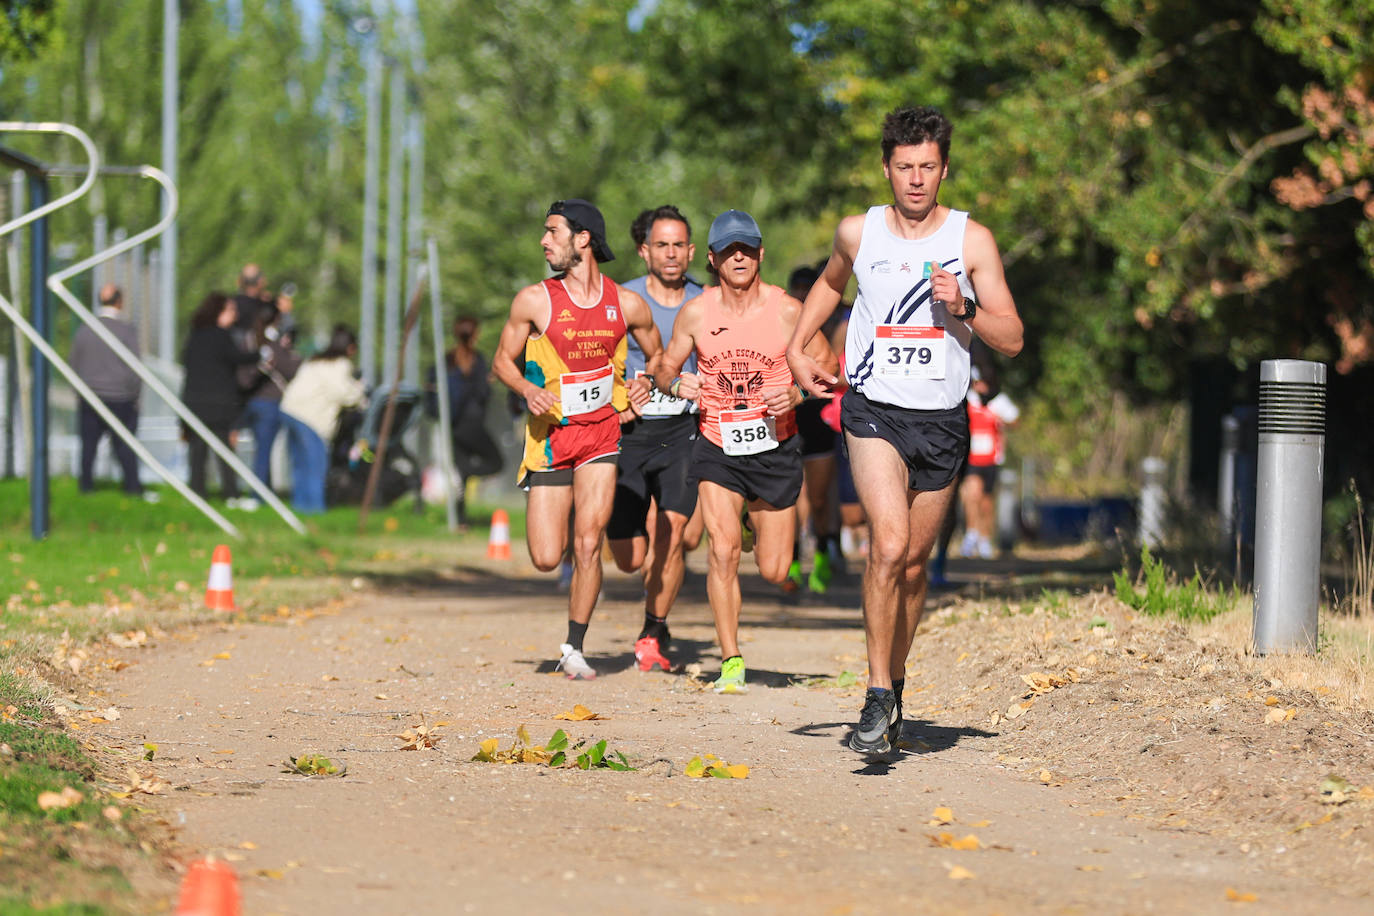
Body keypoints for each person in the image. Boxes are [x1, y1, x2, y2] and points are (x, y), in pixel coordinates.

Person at [787, 105, 1024, 756]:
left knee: (914, 567)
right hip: (874, 411)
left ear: (944, 169)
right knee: (887, 546)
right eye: (904, 167)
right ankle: (873, 692)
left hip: (942, 420)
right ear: (886, 169)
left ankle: (894, 682)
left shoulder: (972, 241)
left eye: (927, 167)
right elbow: (829, 285)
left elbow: (1011, 337)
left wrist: (964, 306)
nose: (916, 179)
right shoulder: (857, 233)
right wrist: (796, 347)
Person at [656, 209, 837, 694]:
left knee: (775, 570)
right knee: (722, 551)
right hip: (716, 443)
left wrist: (796, 393)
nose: (739, 257)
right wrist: (676, 384)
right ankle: (731, 659)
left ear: (760, 254)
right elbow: (664, 368)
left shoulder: (788, 310)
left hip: (775, 447)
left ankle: (751, 522)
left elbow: (829, 367)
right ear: (713, 259)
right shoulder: (696, 313)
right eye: (728, 250)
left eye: (747, 249)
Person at [491, 199, 664, 680]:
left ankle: (574, 646)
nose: (544, 241)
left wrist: (647, 382)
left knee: (589, 543)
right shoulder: (534, 300)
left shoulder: (626, 304)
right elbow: (501, 360)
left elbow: (659, 355)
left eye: (553, 232)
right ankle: (561, 532)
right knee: (547, 557)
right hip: (551, 437)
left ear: (582, 238)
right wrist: (527, 389)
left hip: (602, 435)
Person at [607, 205, 705, 673]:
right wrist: (618, 398)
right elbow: (592, 361)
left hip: (685, 431)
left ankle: (652, 628)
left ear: (691, 251)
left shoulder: (706, 302)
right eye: (661, 245)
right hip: (629, 432)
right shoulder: (621, 300)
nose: (671, 253)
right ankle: (655, 605)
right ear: (644, 251)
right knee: (629, 558)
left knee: (675, 534)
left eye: (678, 245)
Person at [784, 264, 843, 595]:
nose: (804, 296)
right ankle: (792, 562)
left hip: (818, 414)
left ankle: (821, 554)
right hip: (788, 415)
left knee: (819, 498)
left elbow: (837, 369)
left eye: (809, 289)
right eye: (799, 290)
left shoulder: (831, 323)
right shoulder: (782, 321)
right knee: (792, 494)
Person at [181, 292, 260, 501]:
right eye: (231, 310)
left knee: (197, 452)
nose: (235, 314)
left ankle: (197, 492)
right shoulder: (222, 336)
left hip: (195, 402)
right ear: (219, 312)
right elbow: (237, 358)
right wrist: (260, 355)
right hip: (218, 405)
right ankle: (230, 493)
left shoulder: (195, 336)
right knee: (224, 451)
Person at [279, 324, 366, 514]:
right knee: (316, 465)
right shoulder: (340, 364)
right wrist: (360, 392)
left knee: (300, 465)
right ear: (350, 348)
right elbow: (343, 393)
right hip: (310, 418)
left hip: (289, 410)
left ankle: (300, 507)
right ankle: (315, 510)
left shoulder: (315, 360)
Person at [69, 284, 144, 497]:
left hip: (91, 397)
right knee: (125, 446)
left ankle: (86, 487)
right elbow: (135, 367)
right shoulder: (126, 330)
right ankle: (132, 488)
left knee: (89, 446)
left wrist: (81, 391)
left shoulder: (85, 329)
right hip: (121, 397)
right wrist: (134, 395)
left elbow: (73, 362)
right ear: (120, 302)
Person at [428, 315, 503, 528]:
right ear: (475, 334)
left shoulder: (446, 360)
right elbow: (482, 393)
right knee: (496, 462)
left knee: (462, 473)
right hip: (472, 425)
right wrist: (487, 383)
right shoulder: (477, 360)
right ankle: (467, 473)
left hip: (451, 425)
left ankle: (460, 521)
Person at [237, 303, 302, 498]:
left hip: (251, 401)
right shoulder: (273, 343)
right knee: (264, 452)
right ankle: (259, 496)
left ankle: (264, 492)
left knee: (261, 450)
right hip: (269, 403)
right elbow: (289, 369)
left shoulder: (247, 340)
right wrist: (291, 355)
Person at [959, 368, 1019, 559]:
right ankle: (971, 534)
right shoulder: (967, 399)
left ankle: (984, 538)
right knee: (971, 495)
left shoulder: (998, 401)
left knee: (986, 502)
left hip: (992, 459)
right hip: (971, 458)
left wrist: (1001, 421)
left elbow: (1015, 420)